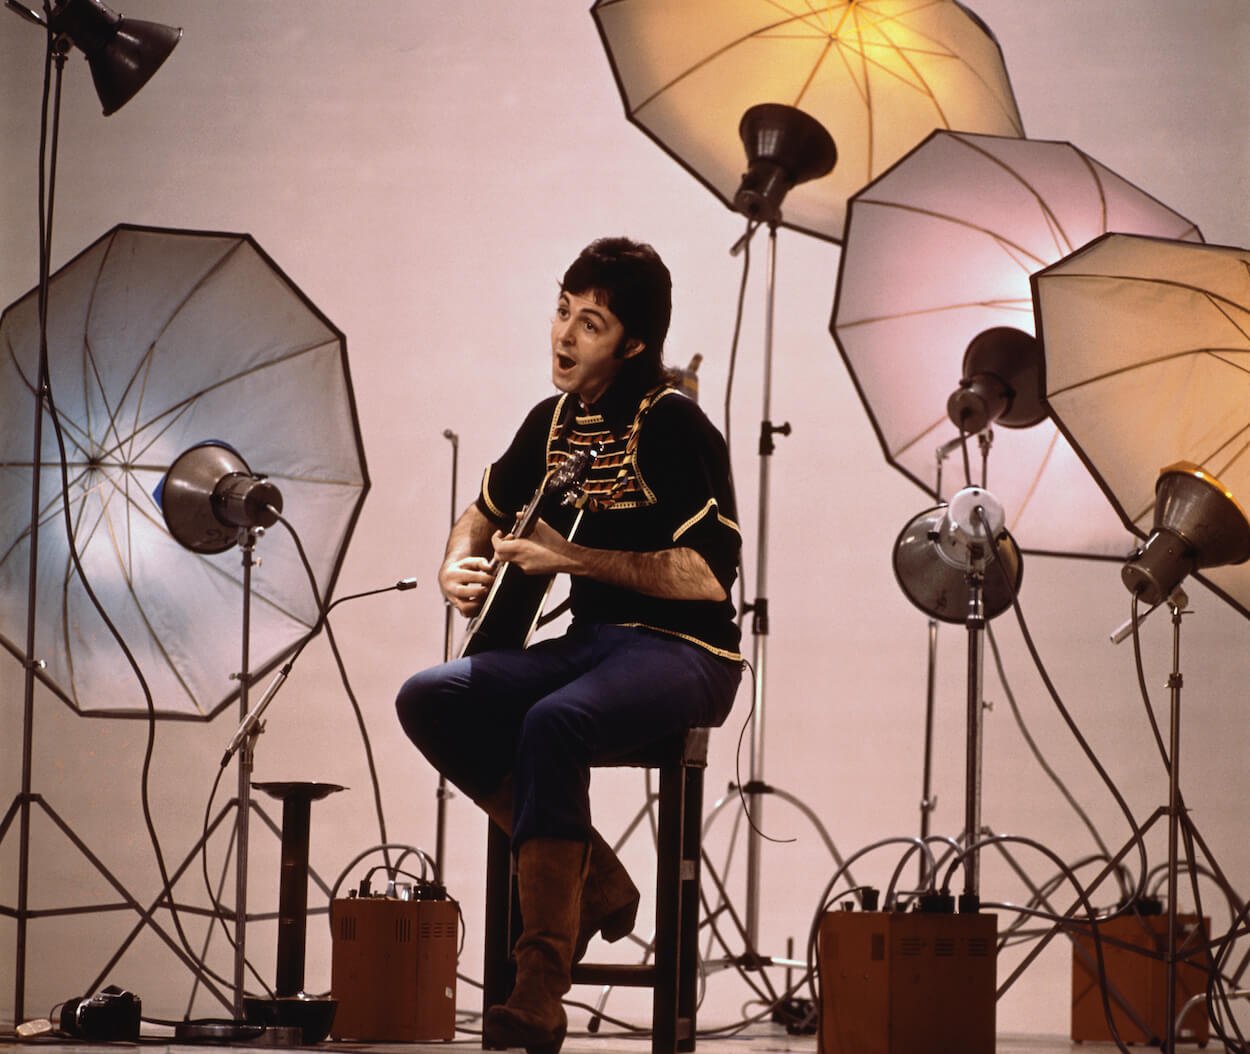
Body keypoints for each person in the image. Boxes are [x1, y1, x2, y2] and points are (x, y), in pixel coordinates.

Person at [395, 236, 743, 1054]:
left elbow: (708, 576)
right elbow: (482, 509)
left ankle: (539, 992)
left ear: (633, 344)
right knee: (430, 696)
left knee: (554, 721)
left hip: (687, 654)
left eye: (590, 323)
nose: (564, 335)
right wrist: (456, 562)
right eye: (562, 311)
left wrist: (573, 558)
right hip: (593, 644)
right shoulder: (549, 422)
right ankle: (595, 878)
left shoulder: (673, 425)